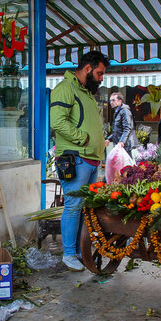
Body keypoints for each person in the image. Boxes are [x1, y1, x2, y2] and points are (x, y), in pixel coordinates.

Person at [50, 51, 109, 271]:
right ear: (87, 68)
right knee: (74, 206)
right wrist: (82, 138)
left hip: (90, 159)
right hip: (75, 158)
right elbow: (57, 122)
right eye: (99, 73)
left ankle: (79, 251)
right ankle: (68, 254)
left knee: (83, 207)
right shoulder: (66, 88)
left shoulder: (85, 92)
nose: (102, 78)